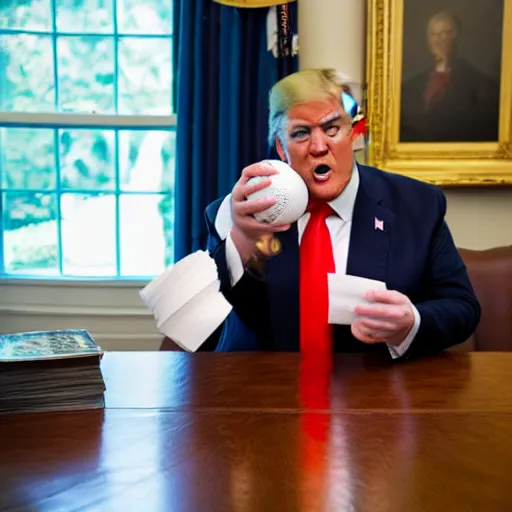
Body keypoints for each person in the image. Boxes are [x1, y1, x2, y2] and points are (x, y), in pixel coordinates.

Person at [204, 68, 480, 358]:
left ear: (353, 133)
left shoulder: (418, 205)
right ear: (281, 150)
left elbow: (462, 308)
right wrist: (241, 240)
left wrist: (410, 323)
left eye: (332, 128)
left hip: (375, 392)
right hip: (267, 393)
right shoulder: (241, 214)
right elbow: (211, 316)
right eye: (300, 133)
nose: (319, 147)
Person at [400, 11, 500, 143]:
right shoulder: (411, 86)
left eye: (447, 33)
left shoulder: (481, 86)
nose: (441, 39)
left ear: (457, 37)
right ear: (429, 42)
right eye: (435, 34)